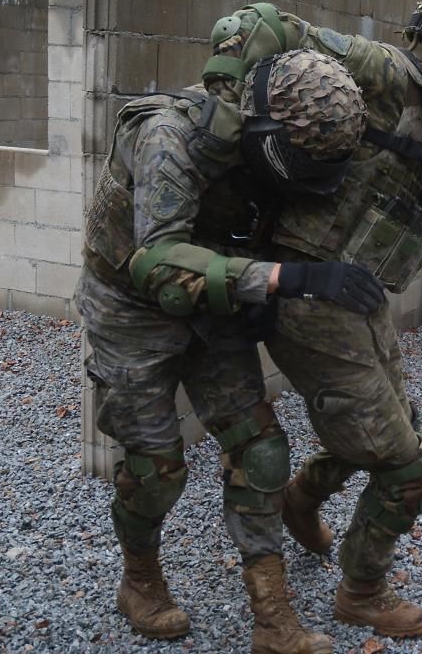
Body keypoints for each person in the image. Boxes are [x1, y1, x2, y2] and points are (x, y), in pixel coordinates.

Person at [210, 0, 422, 638]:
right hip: (311, 296)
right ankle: (362, 590)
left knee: (396, 424)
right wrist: (222, 117)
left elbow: (415, 211)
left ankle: (302, 497)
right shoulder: (383, 69)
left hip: (358, 292)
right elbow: (260, 21)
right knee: (408, 467)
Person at [76, 44, 377, 654]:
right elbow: (157, 263)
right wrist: (284, 279)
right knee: (156, 467)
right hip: (132, 304)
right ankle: (139, 579)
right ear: (268, 131)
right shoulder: (171, 138)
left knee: (261, 451)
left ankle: (273, 618)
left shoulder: (289, 143)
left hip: (212, 303)